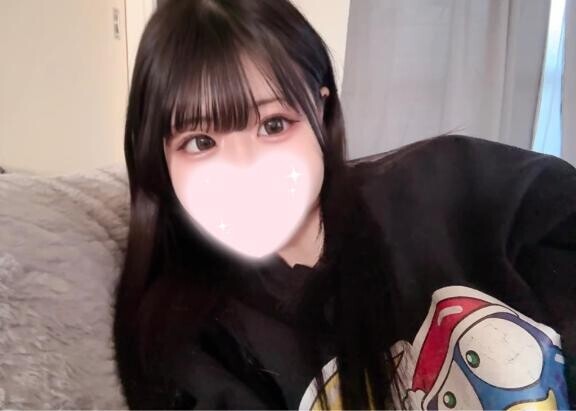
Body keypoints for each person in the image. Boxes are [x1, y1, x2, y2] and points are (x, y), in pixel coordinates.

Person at [112, 0, 576, 409]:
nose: (244, 170)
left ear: (320, 110)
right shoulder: (192, 342)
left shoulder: (458, 182)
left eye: (273, 125)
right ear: (160, 158)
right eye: (200, 141)